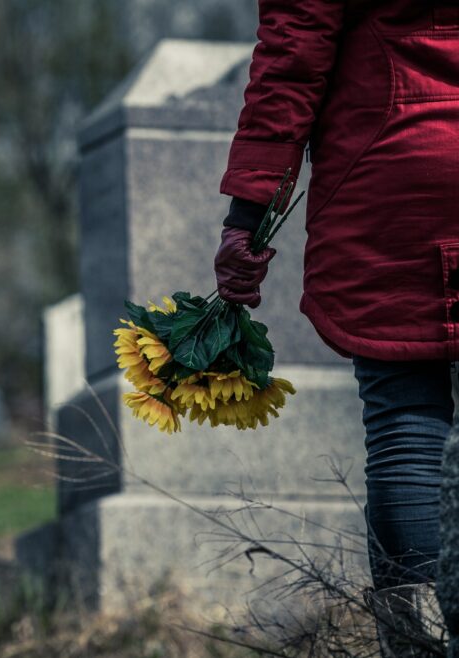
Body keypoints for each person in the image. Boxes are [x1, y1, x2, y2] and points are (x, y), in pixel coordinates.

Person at [212, 1, 459, 654]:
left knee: (405, 414)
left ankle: (419, 646)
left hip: (397, 165)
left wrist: (248, 213)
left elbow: (294, 52)